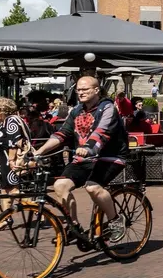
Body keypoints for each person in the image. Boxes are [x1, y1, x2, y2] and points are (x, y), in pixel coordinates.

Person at [33, 76, 127, 244]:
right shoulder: (76, 111)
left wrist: (89, 146)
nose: (81, 92)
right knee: (60, 185)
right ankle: (73, 226)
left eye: (85, 89)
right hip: (84, 158)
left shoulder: (108, 108)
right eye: (79, 90)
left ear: (96, 90)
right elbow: (62, 134)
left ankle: (115, 220)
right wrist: (38, 151)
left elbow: (102, 132)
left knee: (92, 187)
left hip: (110, 156)